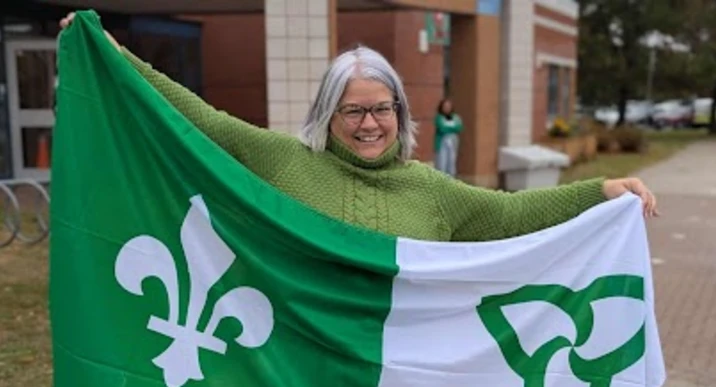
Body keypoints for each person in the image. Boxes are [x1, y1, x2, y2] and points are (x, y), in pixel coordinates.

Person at [59, 13, 658, 243]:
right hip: (303, 384)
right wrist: (118, 60)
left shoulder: (432, 191)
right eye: (353, 110)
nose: (371, 124)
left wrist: (598, 191)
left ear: (401, 111)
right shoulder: (284, 161)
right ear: (327, 115)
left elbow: (510, 214)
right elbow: (203, 122)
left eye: (383, 108)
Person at [433, 98, 463, 177]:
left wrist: (448, 128)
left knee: (451, 163)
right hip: (442, 142)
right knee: (442, 163)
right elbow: (442, 129)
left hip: (453, 143)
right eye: (445, 106)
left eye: (448, 106)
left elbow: (459, 128)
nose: (447, 108)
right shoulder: (439, 117)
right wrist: (452, 128)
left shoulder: (456, 117)